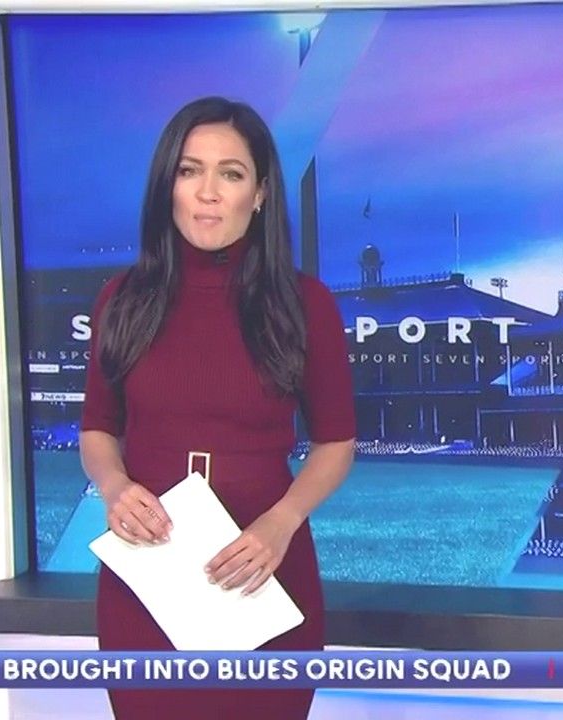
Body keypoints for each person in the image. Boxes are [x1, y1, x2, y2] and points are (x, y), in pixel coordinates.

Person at [79, 96, 356, 719]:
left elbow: (336, 442)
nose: (207, 192)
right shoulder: (121, 299)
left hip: (264, 571)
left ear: (259, 194)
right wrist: (115, 487)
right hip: (147, 580)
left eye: (230, 174)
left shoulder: (304, 304)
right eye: (189, 171)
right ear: (167, 185)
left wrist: (282, 523)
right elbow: (98, 428)